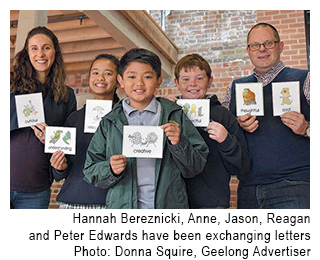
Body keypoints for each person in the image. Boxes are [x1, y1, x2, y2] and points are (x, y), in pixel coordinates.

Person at [83, 48, 209, 209]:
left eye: (147, 77)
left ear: (158, 81)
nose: (139, 83)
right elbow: (90, 169)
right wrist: (110, 169)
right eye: (131, 76)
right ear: (120, 80)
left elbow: (196, 166)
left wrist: (179, 143)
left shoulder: (174, 114)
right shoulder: (110, 121)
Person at [223, 23, 310, 209]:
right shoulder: (235, 88)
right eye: (255, 45)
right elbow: (224, 134)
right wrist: (238, 125)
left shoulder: (306, 79)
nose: (261, 49)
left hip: (295, 185)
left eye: (268, 43)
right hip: (248, 190)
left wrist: (307, 128)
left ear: (281, 46)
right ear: (248, 50)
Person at [169, 54, 251, 208]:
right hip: (172, 204)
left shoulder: (223, 115)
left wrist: (226, 140)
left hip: (212, 205)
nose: (192, 84)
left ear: (210, 81)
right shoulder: (168, 112)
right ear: (176, 83)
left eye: (199, 78)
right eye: (186, 79)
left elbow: (242, 166)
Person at [10, 26, 77, 209]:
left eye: (46, 47)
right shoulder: (9, 86)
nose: (40, 53)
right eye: (34, 48)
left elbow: (66, 144)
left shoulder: (66, 95)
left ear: (55, 51)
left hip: (36, 190)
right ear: (27, 52)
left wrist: (52, 138)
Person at [50, 54, 120, 209]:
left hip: (112, 203)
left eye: (108, 73)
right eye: (95, 73)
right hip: (72, 202)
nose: (100, 78)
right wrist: (59, 167)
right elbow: (60, 172)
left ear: (119, 80)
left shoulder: (126, 119)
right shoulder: (74, 119)